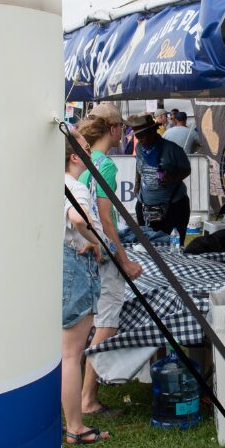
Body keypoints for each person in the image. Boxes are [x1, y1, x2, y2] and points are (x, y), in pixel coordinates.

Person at [75, 105, 142, 419]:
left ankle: (80, 392)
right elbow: (106, 218)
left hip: (85, 249)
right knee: (107, 323)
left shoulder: (82, 161)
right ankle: (88, 397)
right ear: (114, 129)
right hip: (103, 251)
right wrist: (125, 260)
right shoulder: (106, 166)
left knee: (87, 323)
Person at [60, 142, 109, 446]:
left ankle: (67, 420)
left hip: (56, 264)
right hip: (74, 266)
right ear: (75, 157)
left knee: (61, 353)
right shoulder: (75, 186)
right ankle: (75, 426)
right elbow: (79, 219)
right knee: (71, 355)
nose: (92, 156)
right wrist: (97, 240)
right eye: (87, 150)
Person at [129, 112, 192, 238]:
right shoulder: (139, 148)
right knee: (148, 246)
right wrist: (137, 184)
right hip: (145, 206)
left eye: (142, 135)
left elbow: (187, 169)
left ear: (153, 132)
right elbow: (139, 165)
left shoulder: (173, 149)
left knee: (172, 248)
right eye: (138, 136)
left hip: (173, 207)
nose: (140, 139)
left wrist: (172, 179)